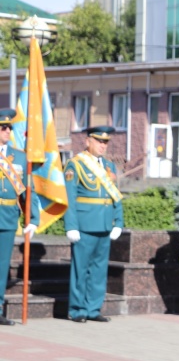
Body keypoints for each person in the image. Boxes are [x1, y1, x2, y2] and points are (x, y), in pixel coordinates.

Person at [64, 126, 124, 323]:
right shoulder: (76, 165)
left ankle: (93, 308)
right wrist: (71, 225)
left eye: (105, 142)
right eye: (99, 141)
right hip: (84, 225)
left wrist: (119, 222)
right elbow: (69, 198)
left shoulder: (109, 167)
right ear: (88, 141)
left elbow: (116, 197)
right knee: (81, 269)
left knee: (99, 270)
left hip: (105, 225)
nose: (102, 145)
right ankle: (77, 309)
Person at [0, 110, 39, 326]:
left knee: (1, 265)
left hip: (7, 216)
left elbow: (27, 191)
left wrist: (32, 218)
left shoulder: (21, 157)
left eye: (9, 128)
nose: (7, 131)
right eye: (3, 127)